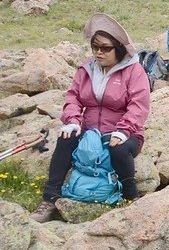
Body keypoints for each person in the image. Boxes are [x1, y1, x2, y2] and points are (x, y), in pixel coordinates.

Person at [32, 13, 151, 222]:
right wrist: (72, 121)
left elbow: (139, 105)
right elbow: (73, 97)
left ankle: (132, 197)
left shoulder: (134, 71)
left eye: (105, 48)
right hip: (90, 130)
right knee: (65, 140)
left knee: (119, 150)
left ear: (119, 49)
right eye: (95, 46)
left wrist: (123, 131)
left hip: (126, 132)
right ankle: (49, 199)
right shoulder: (87, 68)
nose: (98, 52)